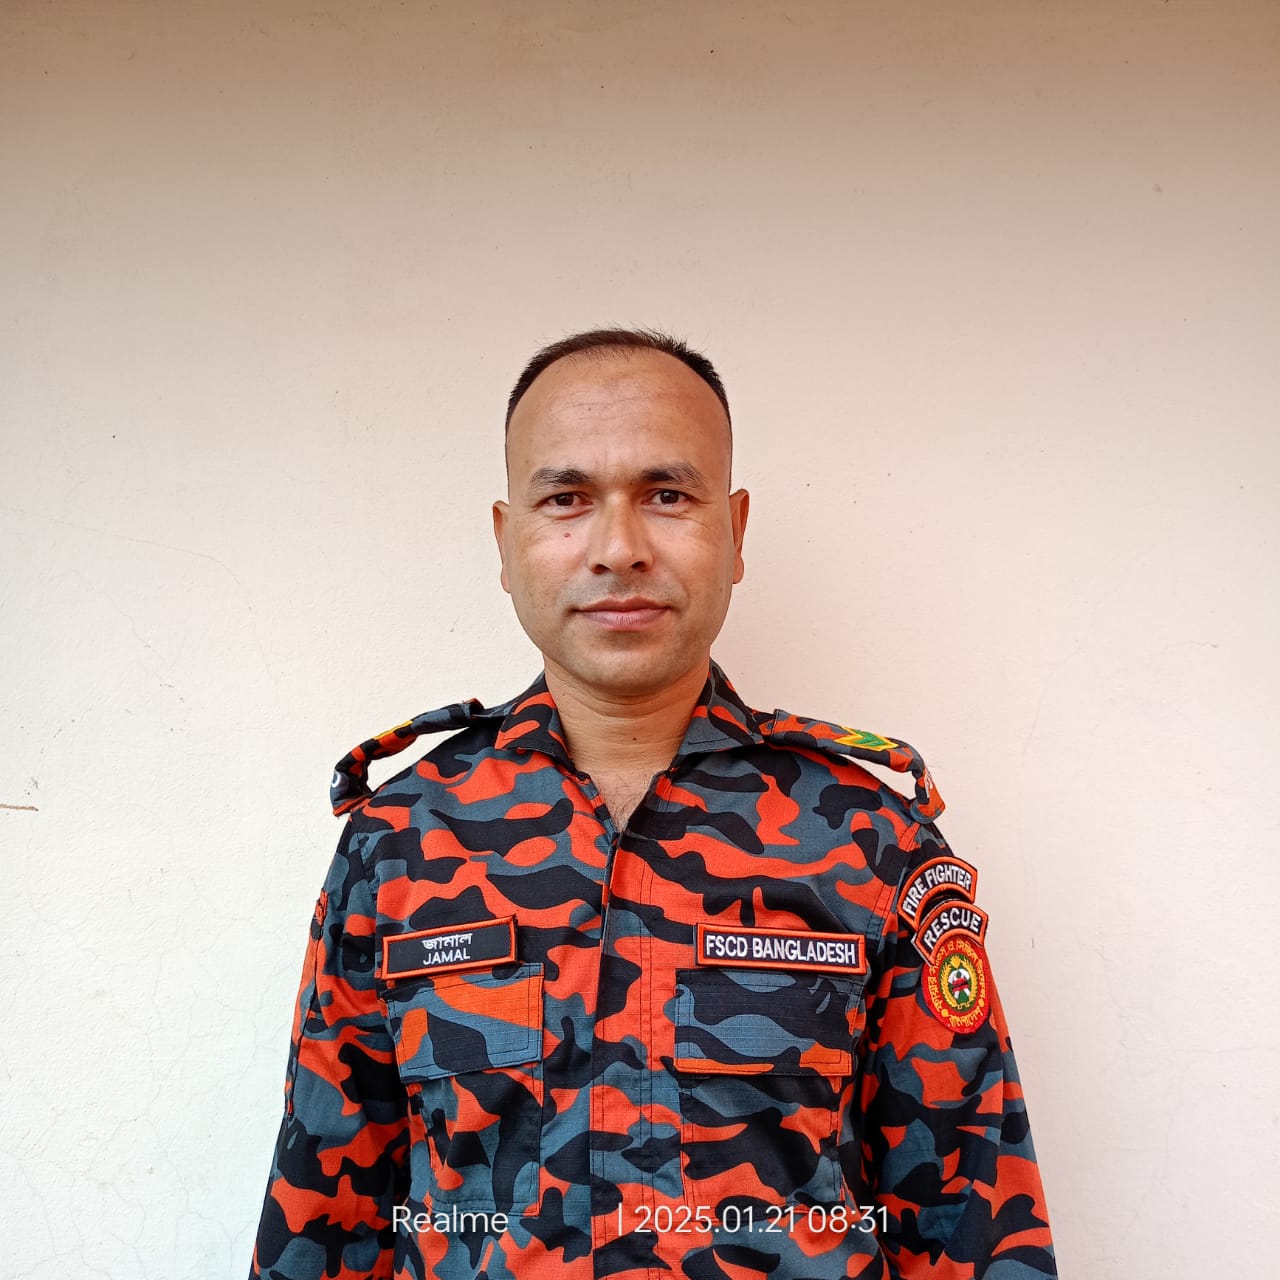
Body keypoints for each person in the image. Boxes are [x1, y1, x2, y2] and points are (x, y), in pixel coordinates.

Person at [249, 329, 1056, 1280]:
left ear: (736, 531)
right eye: (566, 499)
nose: (619, 550)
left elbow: (972, 1223)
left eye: (667, 495)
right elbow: (325, 1217)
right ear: (506, 541)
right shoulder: (400, 840)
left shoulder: (874, 841)